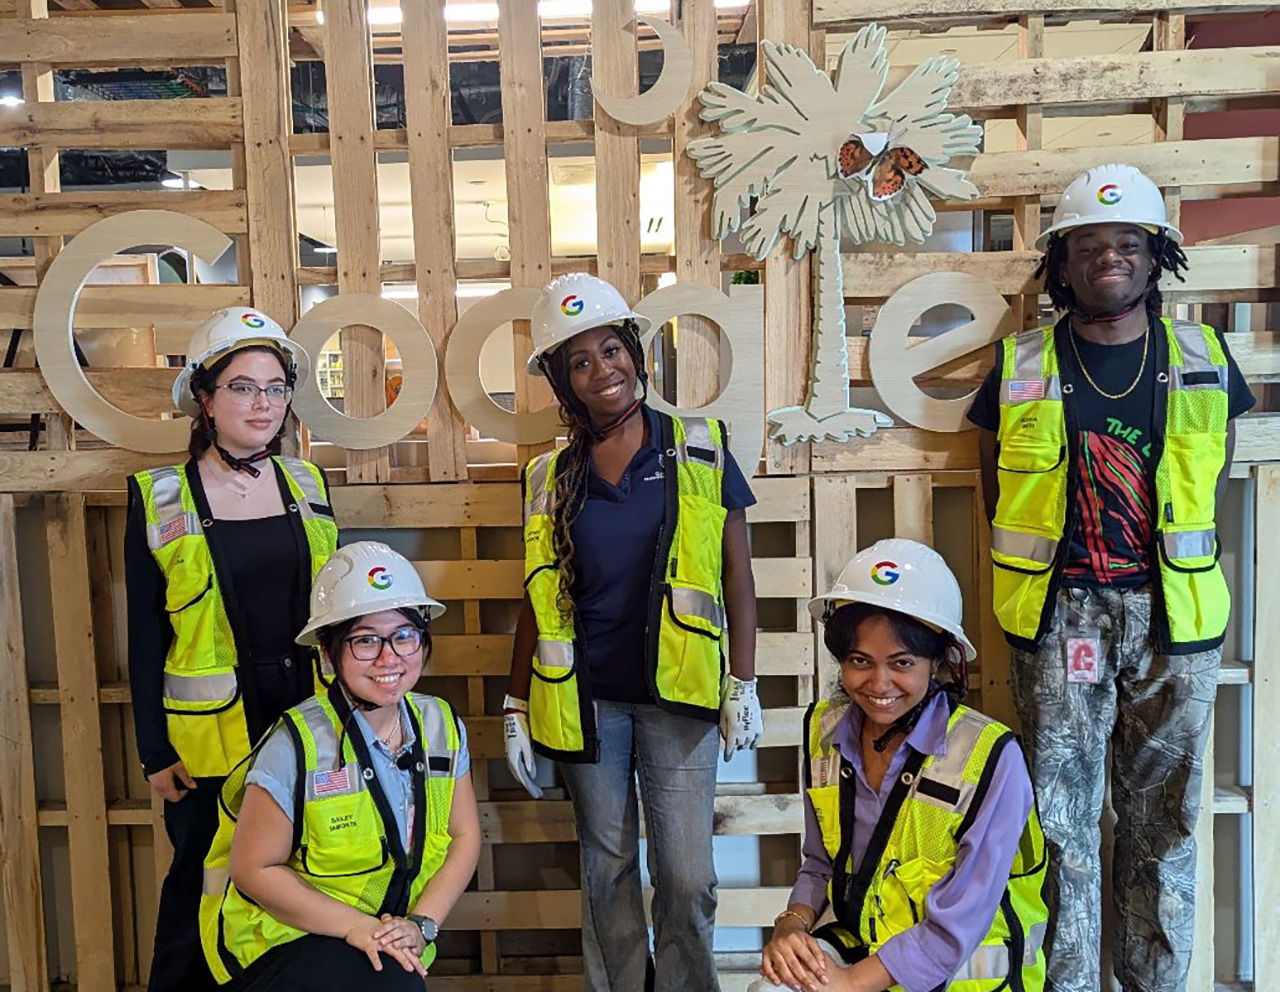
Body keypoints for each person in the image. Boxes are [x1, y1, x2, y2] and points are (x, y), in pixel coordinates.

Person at [966, 163, 1256, 992]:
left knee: (1163, 822)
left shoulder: (1200, 355)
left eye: (1127, 243)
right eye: (1089, 246)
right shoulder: (1021, 363)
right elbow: (996, 485)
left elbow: (1213, 475)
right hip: (1063, 621)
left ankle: (1154, 984)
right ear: (1060, 264)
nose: (1109, 259)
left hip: (1175, 620)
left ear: (1157, 256)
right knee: (1060, 825)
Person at [501, 272, 762, 992]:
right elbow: (537, 595)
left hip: (679, 700)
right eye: (579, 361)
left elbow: (738, 575)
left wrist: (742, 681)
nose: (601, 371)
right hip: (585, 704)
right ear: (562, 379)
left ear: (635, 353)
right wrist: (516, 703)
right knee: (606, 870)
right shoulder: (549, 476)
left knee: (686, 876)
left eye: (610, 350)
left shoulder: (699, 449)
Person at [126, 306, 338, 992]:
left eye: (275, 387)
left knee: (300, 877)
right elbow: (144, 632)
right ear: (205, 397)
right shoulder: (161, 497)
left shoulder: (307, 485)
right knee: (200, 881)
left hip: (306, 719)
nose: (263, 403)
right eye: (243, 386)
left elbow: (337, 612)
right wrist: (155, 751)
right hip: (209, 738)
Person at [755, 539, 1049, 992]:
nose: (878, 684)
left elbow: (959, 923)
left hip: (961, 978)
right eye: (859, 661)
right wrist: (791, 925)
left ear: (938, 662)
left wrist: (850, 984)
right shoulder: (824, 732)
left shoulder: (991, 757)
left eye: (902, 663)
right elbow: (820, 862)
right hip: (866, 950)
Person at [198, 541, 481, 988]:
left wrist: (421, 925)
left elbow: (464, 836)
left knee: (397, 975)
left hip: (384, 936)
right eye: (366, 640)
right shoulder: (298, 743)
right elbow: (253, 870)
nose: (390, 657)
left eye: (404, 635)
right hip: (283, 937)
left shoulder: (439, 724)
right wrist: (359, 928)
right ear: (329, 654)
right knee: (395, 982)